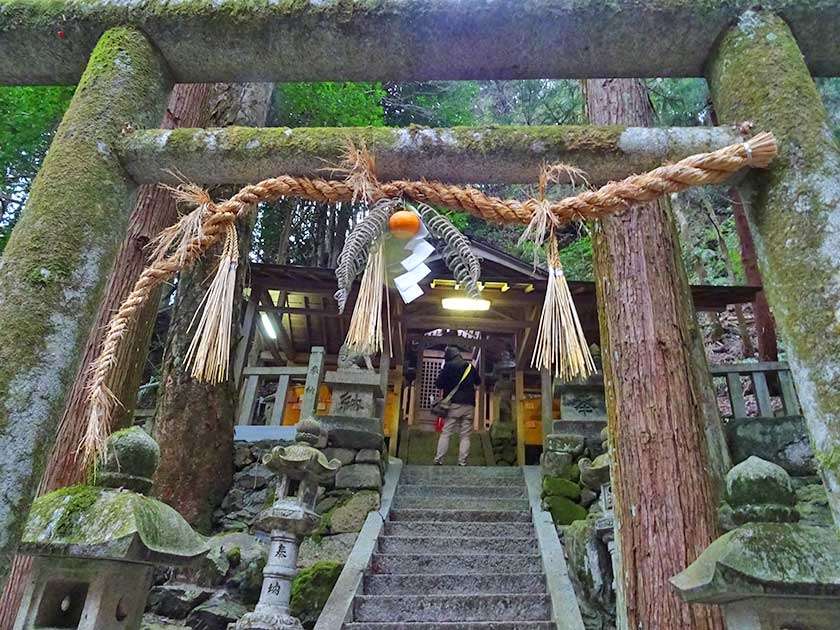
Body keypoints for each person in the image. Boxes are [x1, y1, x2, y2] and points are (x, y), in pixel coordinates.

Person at [434, 346, 481, 466]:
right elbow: (478, 381)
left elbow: (438, 384)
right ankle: (462, 462)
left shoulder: (448, 367)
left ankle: (439, 459)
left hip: (453, 404)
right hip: (469, 405)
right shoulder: (470, 367)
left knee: (446, 432)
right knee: (465, 435)